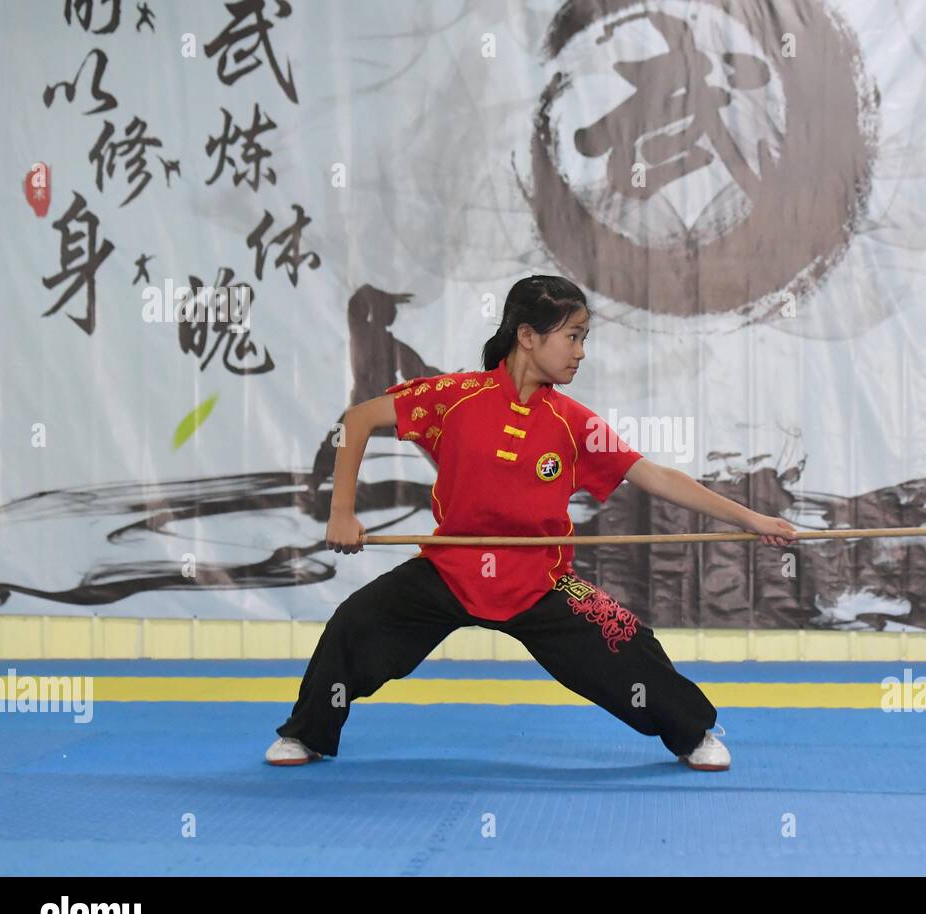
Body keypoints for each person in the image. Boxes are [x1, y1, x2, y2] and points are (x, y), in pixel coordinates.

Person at [267, 275, 796, 771]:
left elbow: (653, 476)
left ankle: (696, 733)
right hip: (449, 572)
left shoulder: (573, 422)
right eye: (572, 336)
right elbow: (358, 419)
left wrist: (750, 519)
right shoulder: (453, 398)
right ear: (526, 335)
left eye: (583, 337)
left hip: (540, 580)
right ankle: (307, 733)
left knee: (626, 642)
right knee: (353, 625)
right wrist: (341, 512)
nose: (581, 352)